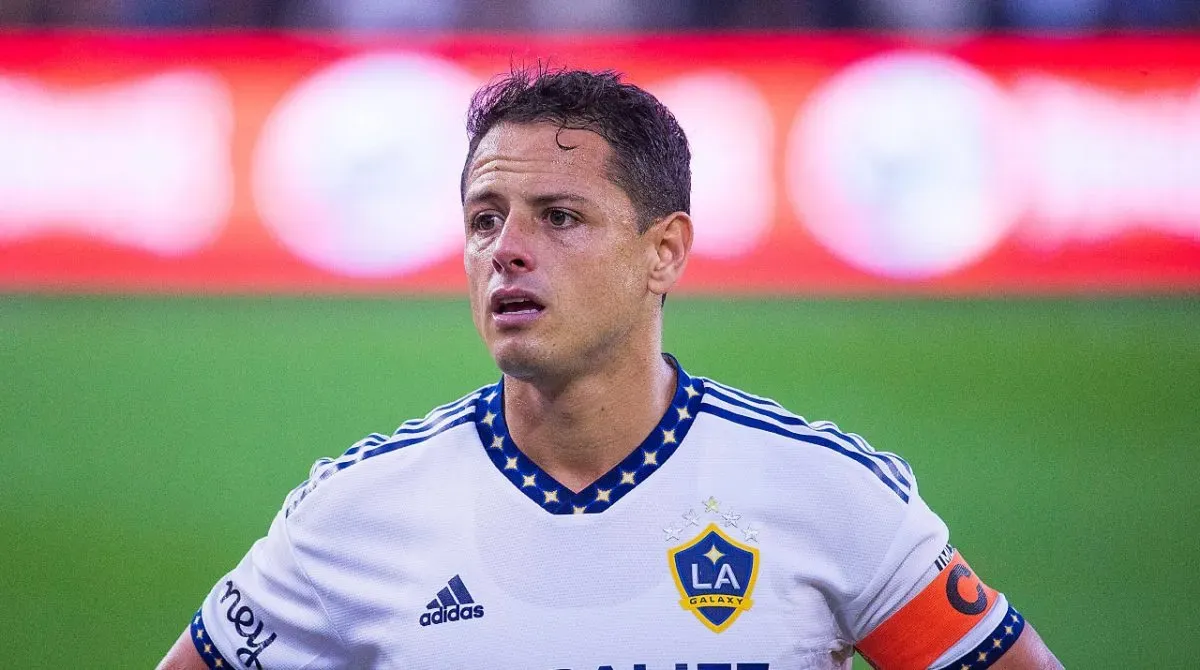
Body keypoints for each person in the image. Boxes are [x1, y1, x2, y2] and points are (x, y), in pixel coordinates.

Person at [159, 67, 1062, 670]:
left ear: (664, 252)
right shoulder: (353, 515)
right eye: (484, 219)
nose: (507, 250)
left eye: (559, 216)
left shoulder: (829, 493)